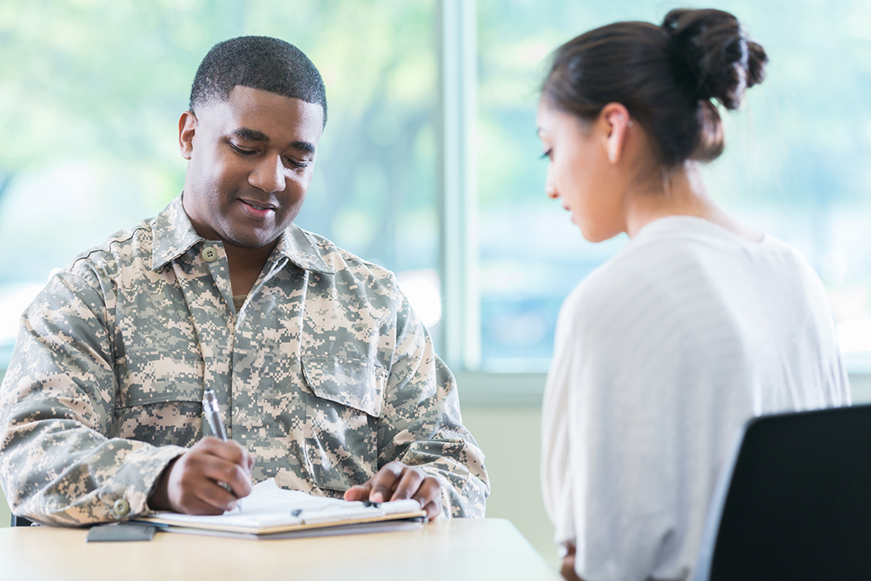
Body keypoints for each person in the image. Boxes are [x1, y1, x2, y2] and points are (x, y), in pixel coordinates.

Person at [0, 36, 488, 525]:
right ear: (189, 136)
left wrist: (430, 490)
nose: (273, 179)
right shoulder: (93, 293)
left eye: (297, 161)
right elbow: (29, 454)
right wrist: (159, 479)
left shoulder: (375, 304)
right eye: (247, 147)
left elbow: (456, 468)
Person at [536, 9, 849, 581]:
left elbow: (599, 556)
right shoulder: (794, 274)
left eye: (550, 148)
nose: (552, 182)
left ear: (612, 128)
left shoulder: (610, 300)